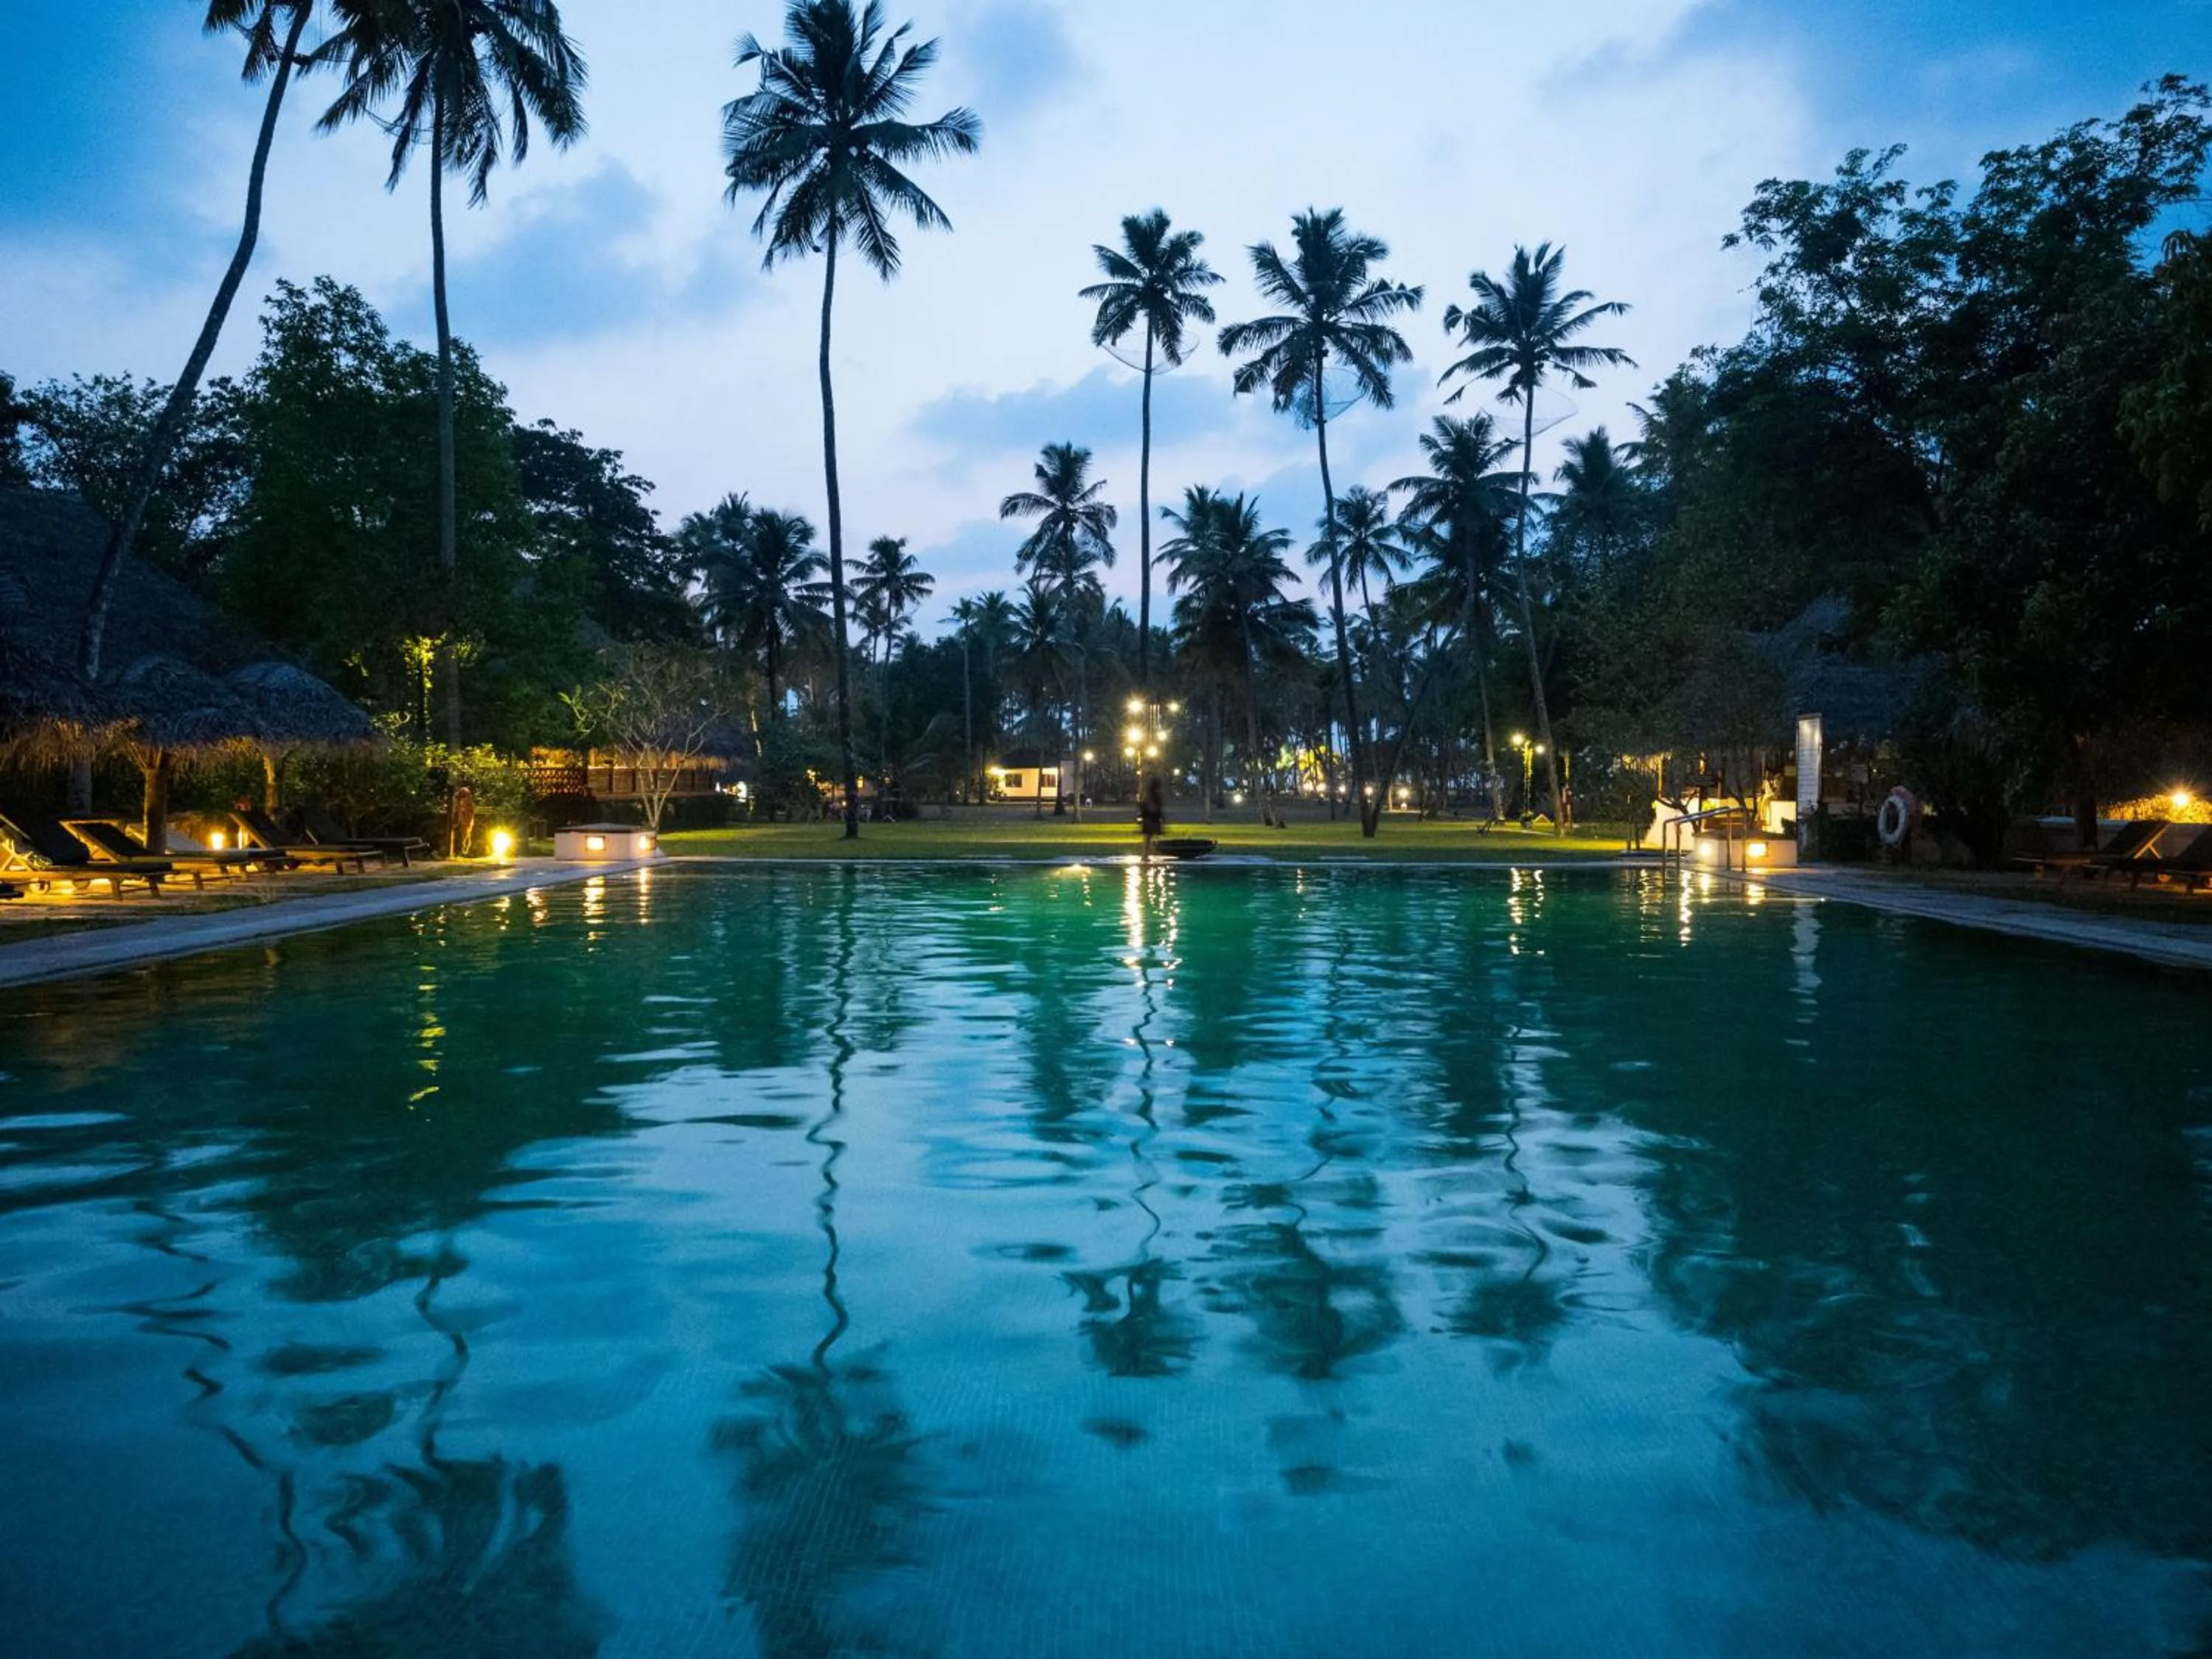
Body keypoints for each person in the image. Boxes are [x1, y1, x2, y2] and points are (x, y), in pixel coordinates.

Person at [1138, 773, 1166, 858]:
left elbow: (1144, 805)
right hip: (1151, 817)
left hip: (1150, 817)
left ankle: (1146, 854)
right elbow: (1155, 807)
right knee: (1148, 837)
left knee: (1148, 837)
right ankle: (1145, 855)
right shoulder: (1153, 795)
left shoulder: (1150, 795)